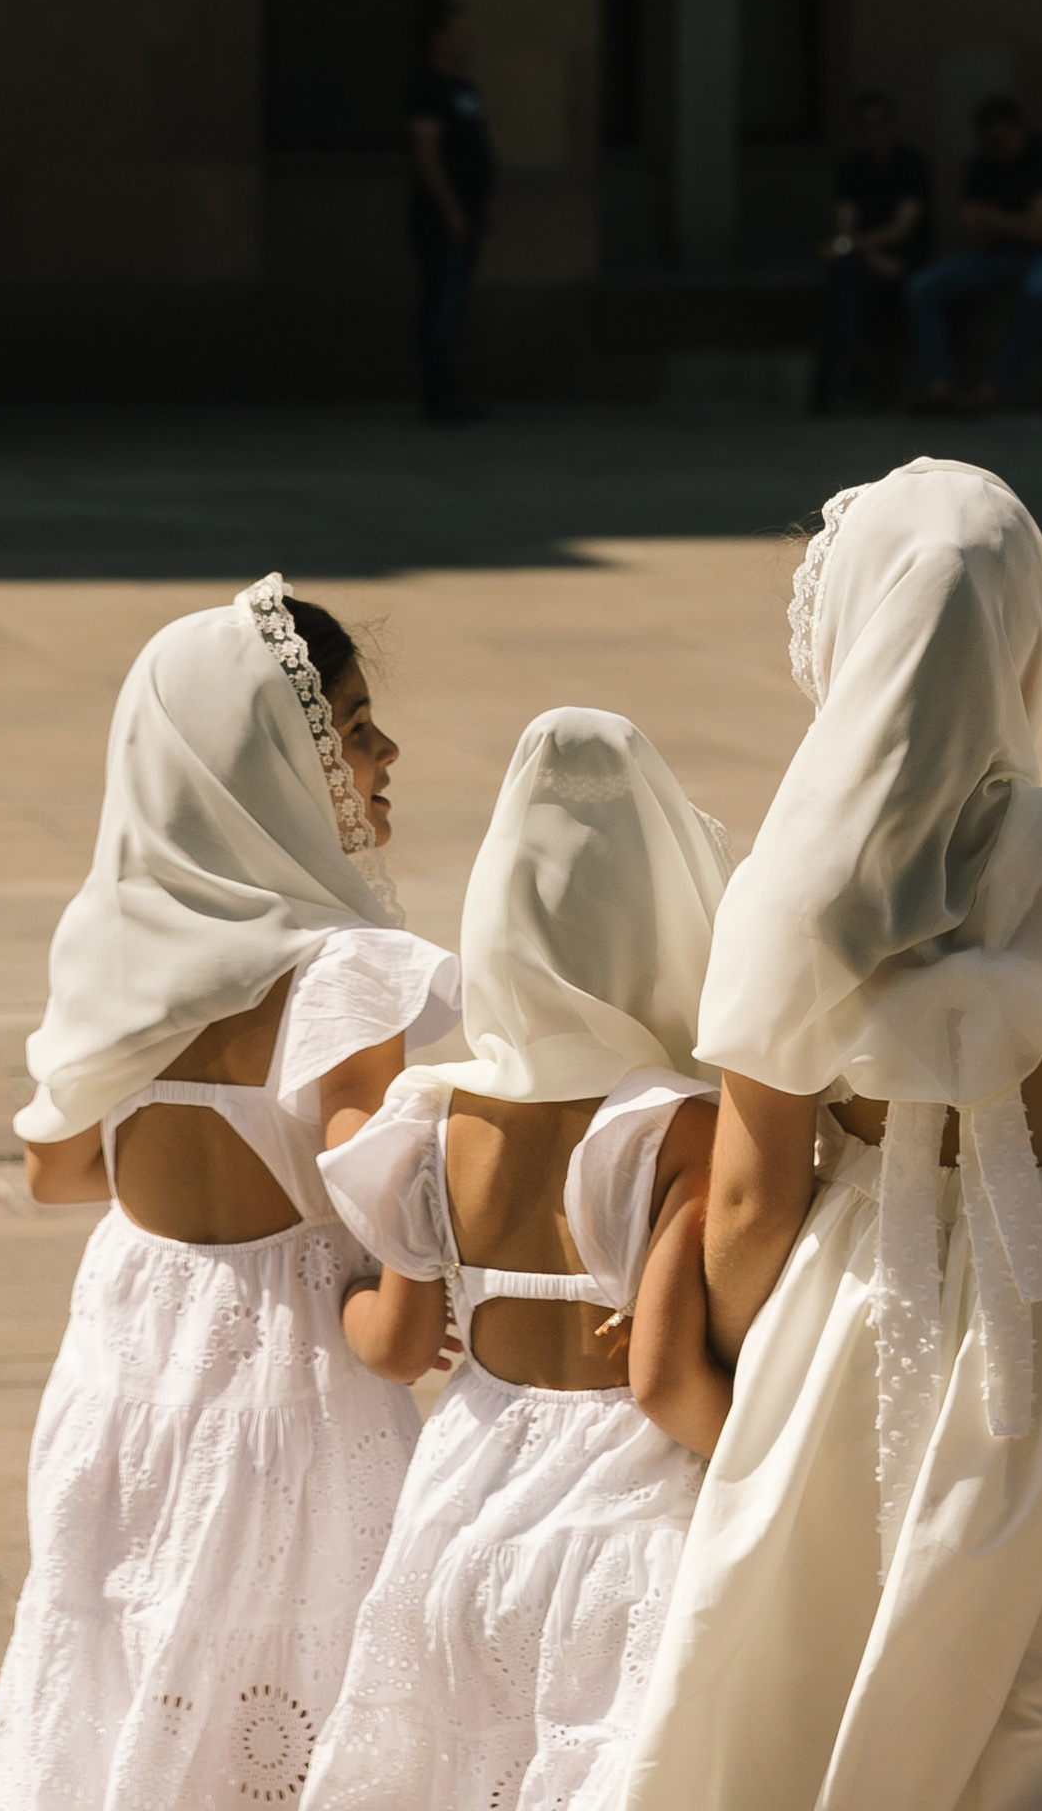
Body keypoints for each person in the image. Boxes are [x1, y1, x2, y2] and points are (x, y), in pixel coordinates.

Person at [622, 458, 1042, 1811]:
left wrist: (708, 1370)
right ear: (1025, 639)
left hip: (863, 1304)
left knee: (840, 1652)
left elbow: (756, 1200)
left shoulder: (784, 890)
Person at [0, 578, 462, 1810]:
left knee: (126, 1629)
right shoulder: (342, 975)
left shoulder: (120, 943)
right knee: (294, 1650)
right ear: (272, 767)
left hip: (128, 1349)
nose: (383, 751)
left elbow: (58, 1167)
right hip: (285, 1365)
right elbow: (381, 1191)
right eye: (349, 727)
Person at [303, 707, 735, 1810]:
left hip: (459, 1512)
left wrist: (345, 1295)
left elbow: (401, 1344)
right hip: (626, 1530)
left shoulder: (433, 1118)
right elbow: (672, 1380)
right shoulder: (680, 1128)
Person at [904, 96, 1042, 414]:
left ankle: (995, 387)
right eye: (991, 138)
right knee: (923, 286)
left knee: (1040, 291)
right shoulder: (982, 163)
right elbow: (971, 229)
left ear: (1019, 130)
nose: (998, 145)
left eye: (1005, 137)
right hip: (996, 256)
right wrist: (1019, 223)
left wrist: (994, 219)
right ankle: (939, 387)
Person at [811, 90, 932, 413]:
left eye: (878, 124)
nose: (872, 132)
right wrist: (866, 255)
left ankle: (848, 372)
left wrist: (850, 248)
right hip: (866, 263)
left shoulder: (910, 165)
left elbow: (901, 229)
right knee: (843, 279)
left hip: (904, 261)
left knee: (842, 280)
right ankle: (855, 365)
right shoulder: (852, 168)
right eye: (865, 126)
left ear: (891, 126)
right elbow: (845, 225)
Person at [407, 2, 496, 424]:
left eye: (469, 32)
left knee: (454, 302)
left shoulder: (466, 89)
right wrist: (451, 209)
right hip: (441, 219)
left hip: (469, 214)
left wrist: (483, 205)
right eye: (459, 33)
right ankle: (438, 397)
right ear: (438, 38)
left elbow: (474, 148)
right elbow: (426, 154)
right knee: (441, 301)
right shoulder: (429, 88)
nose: (467, 41)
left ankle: (449, 392)